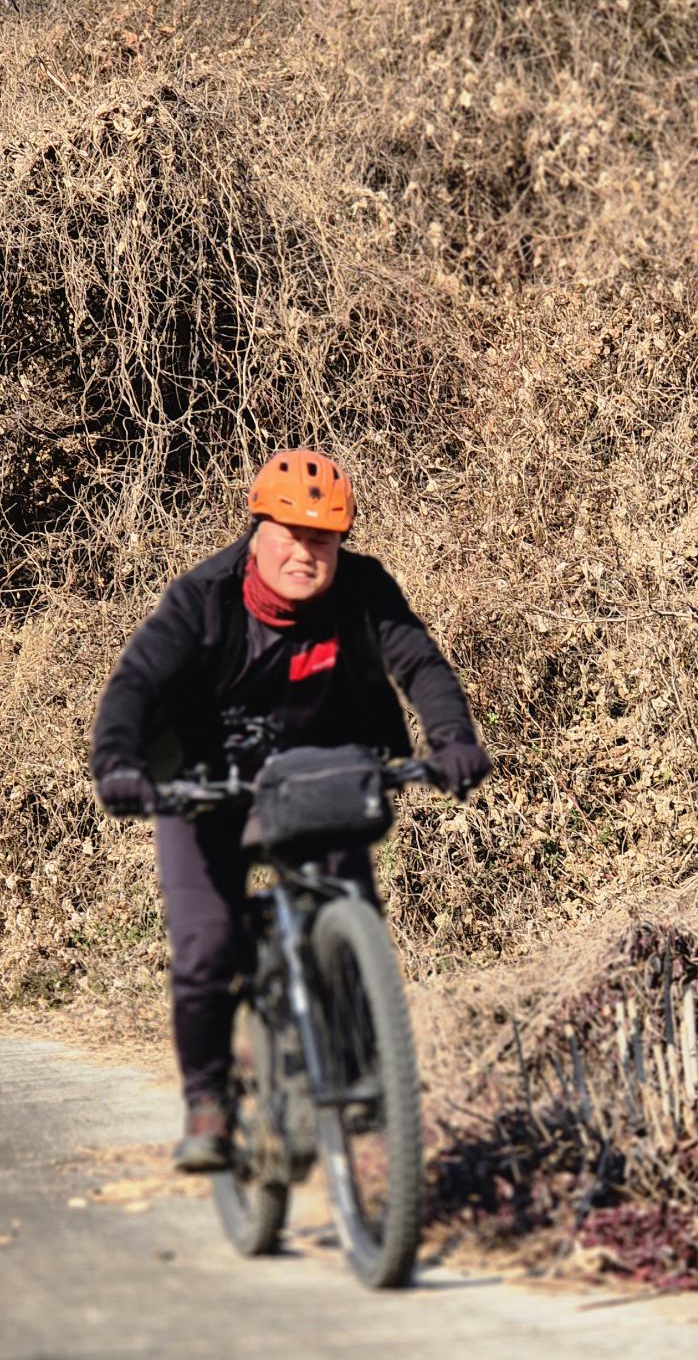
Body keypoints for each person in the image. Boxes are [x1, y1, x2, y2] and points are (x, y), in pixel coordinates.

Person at [91, 449, 490, 1170]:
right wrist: (118, 764)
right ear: (258, 533)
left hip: (317, 777)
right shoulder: (203, 599)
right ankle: (209, 1102)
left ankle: (361, 1072)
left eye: (323, 540)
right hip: (205, 787)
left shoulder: (362, 589)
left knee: (350, 906)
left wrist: (453, 739)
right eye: (291, 536)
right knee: (208, 947)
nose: (306, 554)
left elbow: (418, 662)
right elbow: (136, 684)